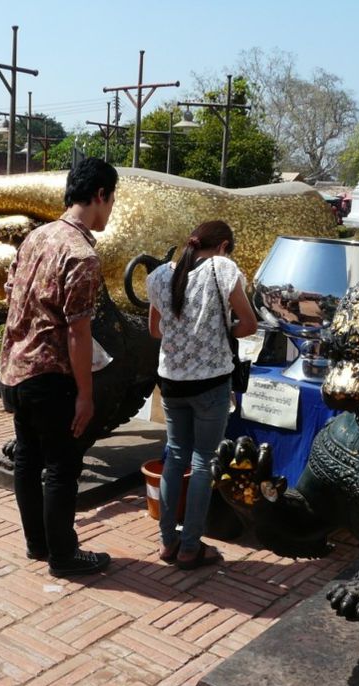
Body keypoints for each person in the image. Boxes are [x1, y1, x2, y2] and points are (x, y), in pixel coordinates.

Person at [0, 157, 117, 578]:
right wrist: (86, 394)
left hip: (16, 370)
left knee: (29, 461)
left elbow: (11, 291)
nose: (111, 209)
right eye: (112, 200)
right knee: (62, 467)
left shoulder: (35, 238)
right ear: (99, 195)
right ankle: (63, 555)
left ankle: (38, 544)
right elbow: (78, 333)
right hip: (51, 377)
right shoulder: (80, 253)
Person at [146, 220, 257, 570]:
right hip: (210, 383)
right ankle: (191, 546)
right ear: (223, 246)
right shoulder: (222, 269)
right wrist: (220, 331)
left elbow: (154, 329)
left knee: (176, 457)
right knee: (203, 460)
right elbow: (249, 324)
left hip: (172, 383)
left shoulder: (162, 275)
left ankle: (168, 543)